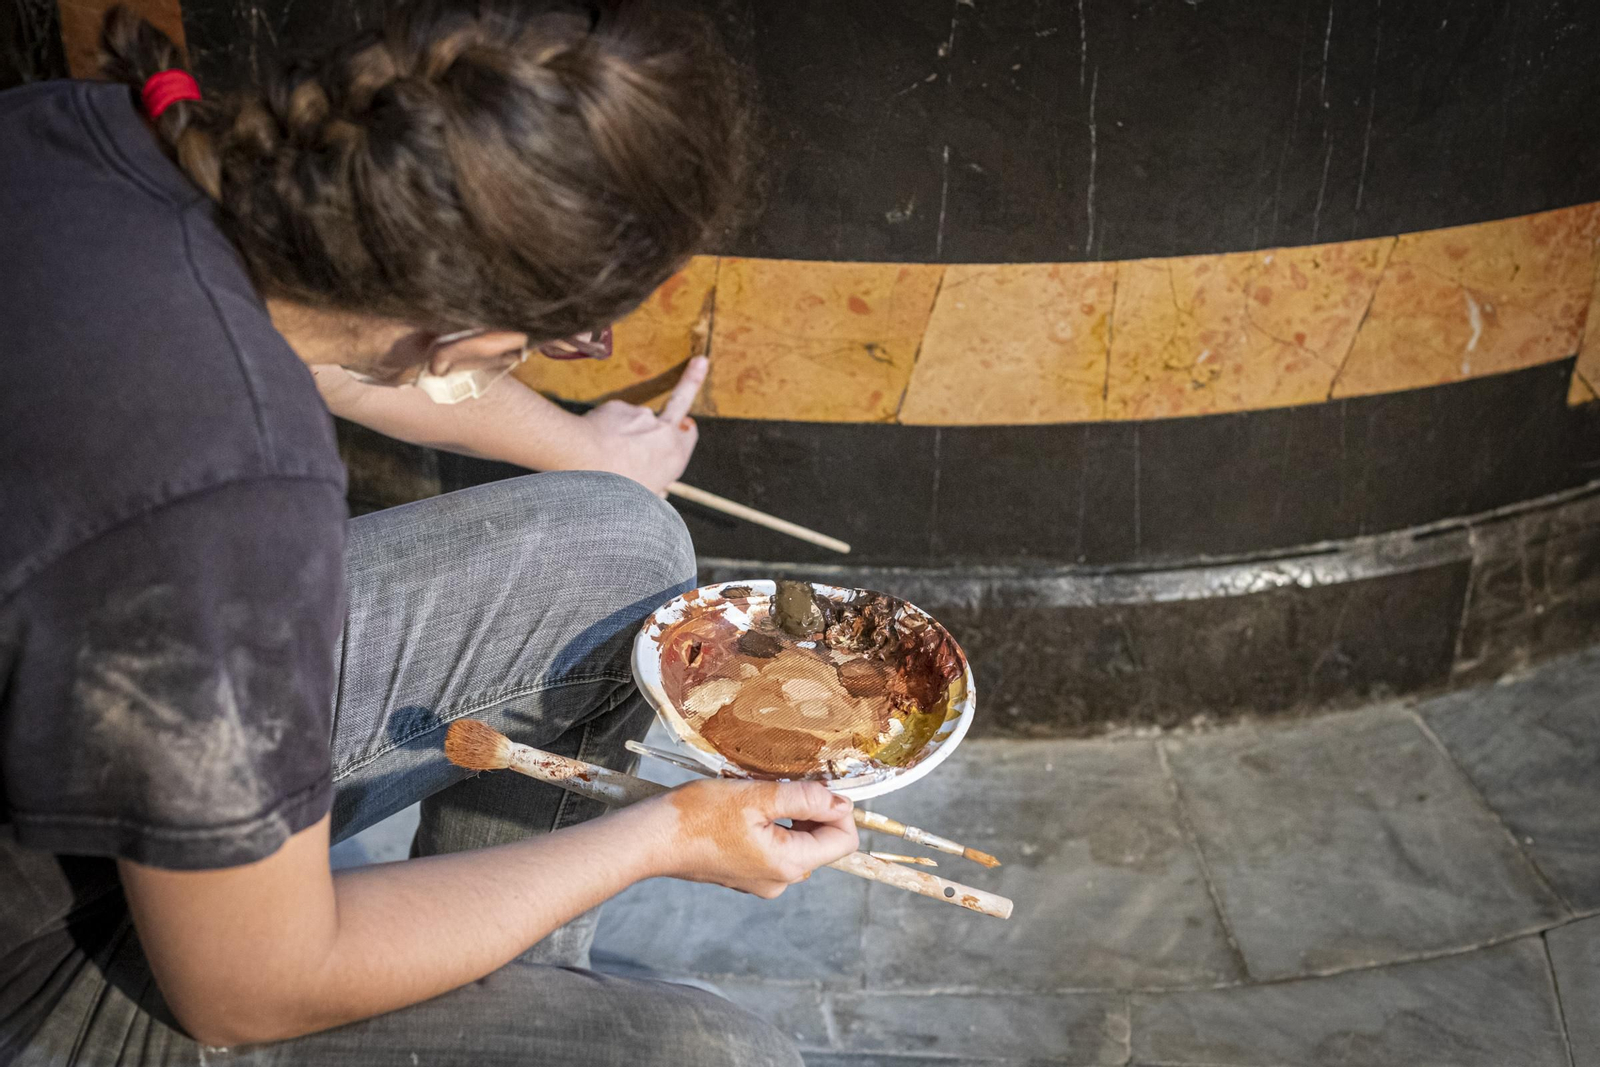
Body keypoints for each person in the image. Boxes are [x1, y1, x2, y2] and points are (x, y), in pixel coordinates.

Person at [0, 2, 859, 1063]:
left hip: (69, 704)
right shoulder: (231, 504)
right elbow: (248, 988)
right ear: (470, 330)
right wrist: (666, 834)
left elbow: (318, 344)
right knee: (720, 1055)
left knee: (620, 545)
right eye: (548, 343)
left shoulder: (88, 134)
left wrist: (585, 449)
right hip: (36, 962)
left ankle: (494, 993)